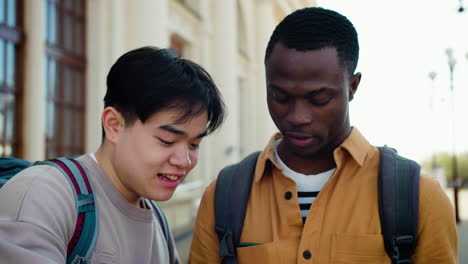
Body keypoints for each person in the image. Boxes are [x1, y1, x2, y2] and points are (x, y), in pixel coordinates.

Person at [189, 7, 458, 264]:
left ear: (352, 87)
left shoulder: (418, 198)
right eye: (280, 97)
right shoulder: (223, 197)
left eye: (319, 99)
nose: (297, 116)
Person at [0, 46, 225, 263]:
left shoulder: (158, 222)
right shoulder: (44, 196)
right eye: (167, 140)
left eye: (194, 145)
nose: (184, 161)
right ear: (114, 125)